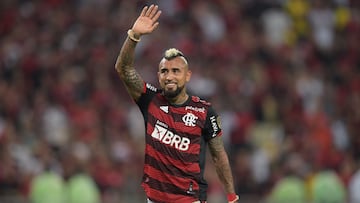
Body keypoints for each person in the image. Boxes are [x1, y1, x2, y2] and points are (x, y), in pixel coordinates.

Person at [114, 4, 239, 203]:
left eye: (176, 71)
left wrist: (231, 195)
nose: (169, 76)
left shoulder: (204, 112)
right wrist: (134, 36)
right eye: (164, 71)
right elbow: (123, 68)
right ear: (158, 76)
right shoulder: (151, 100)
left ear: (187, 76)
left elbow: (219, 155)